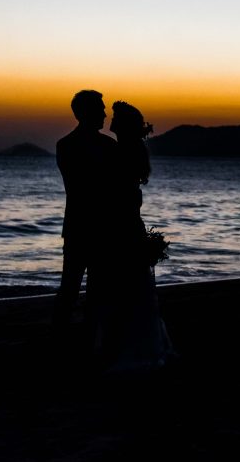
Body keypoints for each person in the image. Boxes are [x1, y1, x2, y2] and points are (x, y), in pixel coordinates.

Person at [98, 100, 174, 372]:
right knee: (131, 289)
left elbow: (119, 193)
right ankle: (133, 346)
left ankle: (127, 350)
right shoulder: (130, 149)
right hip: (128, 224)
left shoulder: (123, 151)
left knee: (124, 289)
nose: (111, 119)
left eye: (116, 116)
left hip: (122, 226)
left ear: (124, 123)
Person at [53, 90, 117, 328]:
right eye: (100, 108)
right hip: (82, 226)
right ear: (84, 113)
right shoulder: (67, 145)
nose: (104, 113)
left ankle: (90, 335)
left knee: (96, 289)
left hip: (97, 226)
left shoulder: (108, 145)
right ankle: (62, 334)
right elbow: (80, 185)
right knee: (71, 285)